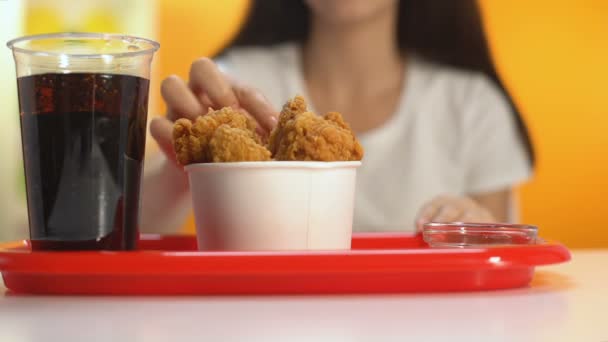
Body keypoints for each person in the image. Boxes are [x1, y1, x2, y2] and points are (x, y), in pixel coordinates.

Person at [143, 0, 534, 234]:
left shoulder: (471, 104)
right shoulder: (231, 90)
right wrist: (182, 173)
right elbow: (135, 230)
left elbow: (500, 261)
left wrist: (473, 226)